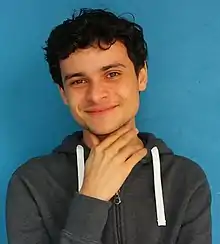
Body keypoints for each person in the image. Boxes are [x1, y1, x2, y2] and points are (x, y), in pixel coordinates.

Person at [6, 8, 212, 244]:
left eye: (112, 74)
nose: (96, 95)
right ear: (63, 93)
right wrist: (90, 200)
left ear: (141, 76)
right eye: (79, 81)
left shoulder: (186, 180)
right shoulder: (30, 183)